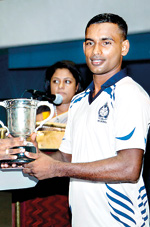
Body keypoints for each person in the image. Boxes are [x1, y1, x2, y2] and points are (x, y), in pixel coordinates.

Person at [23, 13, 150, 227]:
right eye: (90, 43)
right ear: (84, 48)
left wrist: (54, 169)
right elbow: (67, 156)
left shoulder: (130, 94)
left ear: (124, 47)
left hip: (121, 222)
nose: (96, 51)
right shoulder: (79, 101)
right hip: (83, 219)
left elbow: (129, 168)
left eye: (106, 42)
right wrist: (37, 157)